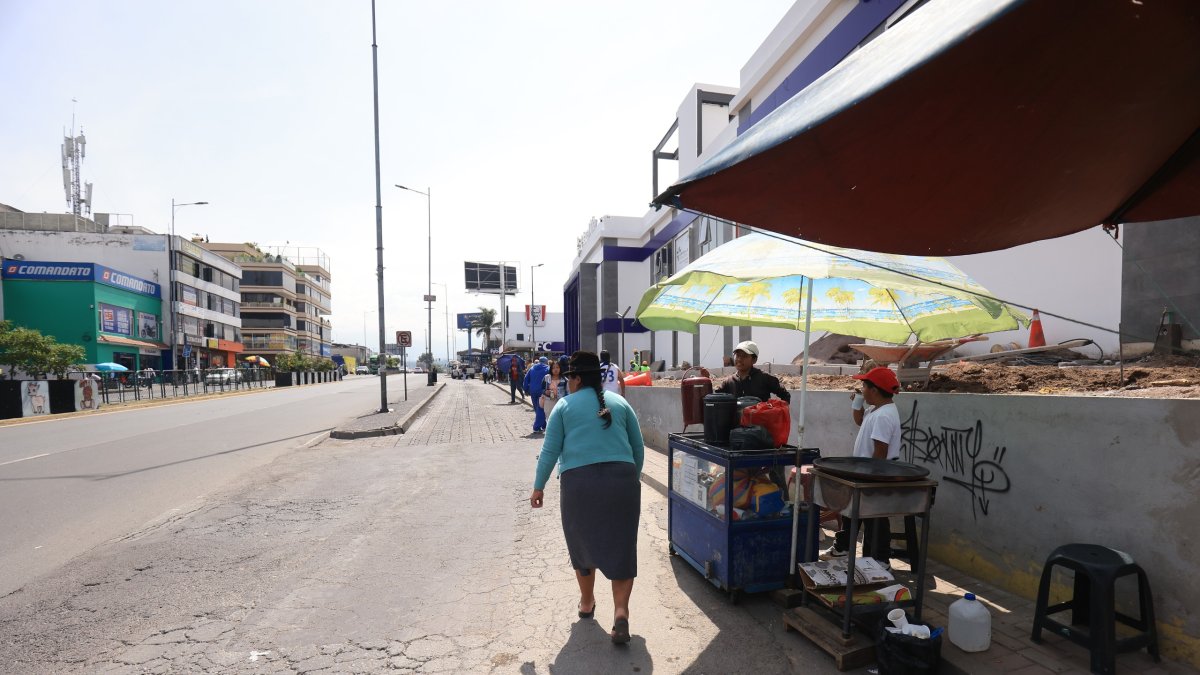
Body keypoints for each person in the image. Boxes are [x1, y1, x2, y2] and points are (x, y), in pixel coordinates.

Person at [529, 351, 645, 645]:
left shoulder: (564, 407)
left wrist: (539, 486)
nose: (568, 383)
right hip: (623, 481)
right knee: (621, 546)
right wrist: (631, 479)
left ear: (577, 378)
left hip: (579, 485)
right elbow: (638, 449)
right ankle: (621, 612)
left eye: (569, 378)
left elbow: (550, 452)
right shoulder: (620, 403)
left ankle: (586, 603)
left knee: (582, 545)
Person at [822, 366, 903, 564]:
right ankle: (843, 548)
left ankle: (880, 561)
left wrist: (871, 479)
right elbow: (860, 421)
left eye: (864, 386)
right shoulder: (876, 409)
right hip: (864, 471)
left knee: (875, 519)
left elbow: (880, 450)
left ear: (874, 390)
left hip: (874, 473)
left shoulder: (884, 416)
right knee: (851, 511)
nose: (861, 389)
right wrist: (857, 402)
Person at [715, 341, 791, 403]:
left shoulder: (764, 378)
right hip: (736, 422)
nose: (739, 359)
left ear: (754, 360)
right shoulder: (728, 382)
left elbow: (785, 395)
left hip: (759, 421)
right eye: (738, 356)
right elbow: (715, 400)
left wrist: (776, 413)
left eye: (744, 356)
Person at [524, 356, 551, 432]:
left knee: (537, 408)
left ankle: (543, 425)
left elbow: (526, 379)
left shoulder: (532, 368)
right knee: (541, 409)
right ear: (546, 361)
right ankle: (536, 427)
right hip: (542, 391)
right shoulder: (547, 369)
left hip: (533, 391)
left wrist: (525, 389)